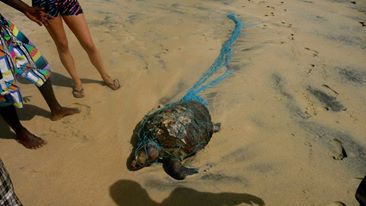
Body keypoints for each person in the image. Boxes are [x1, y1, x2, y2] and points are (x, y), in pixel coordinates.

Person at [0, 0, 79, 149]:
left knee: (35, 63)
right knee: (3, 85)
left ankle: (56, 109)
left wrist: (25, 9)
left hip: (2, 28)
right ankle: (20, 132)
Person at [31, 0, 120, 98]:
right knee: (62, 45)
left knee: (88, 43)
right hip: (44, 4)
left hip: (67, 2)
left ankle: (105, 76)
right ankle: (77, 82)